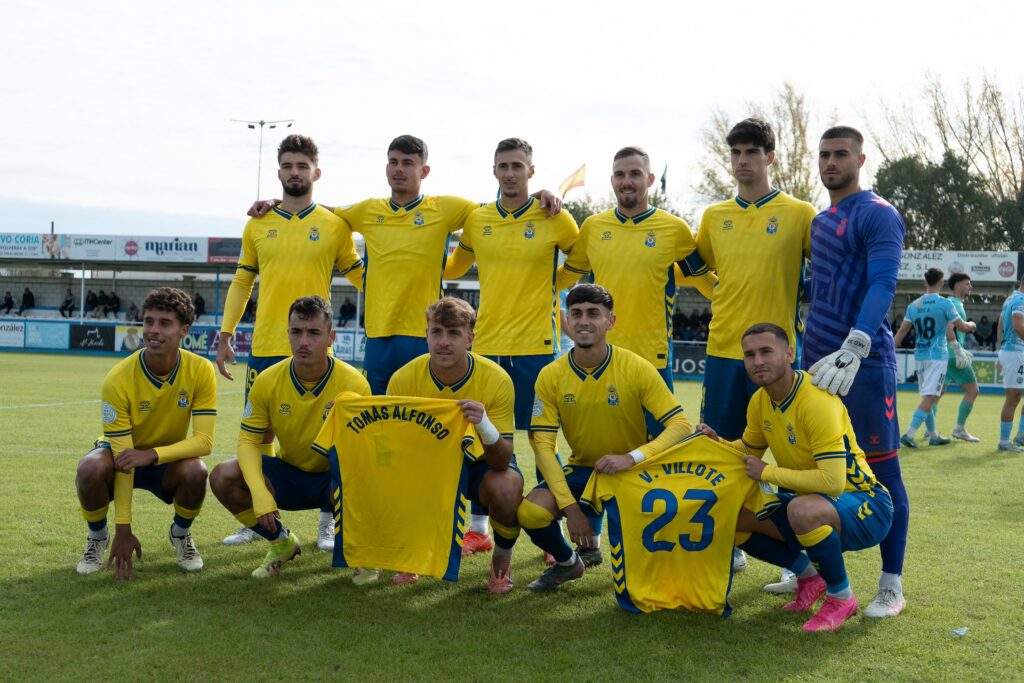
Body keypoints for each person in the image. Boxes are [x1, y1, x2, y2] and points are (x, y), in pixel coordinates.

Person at [248, 134, 561, 396]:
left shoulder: (447, 208)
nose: (399, 169)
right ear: (386, 168)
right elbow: (321, 210)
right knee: (376, 419)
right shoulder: (367, 211)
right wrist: (279, 203)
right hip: (379, 337)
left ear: (424, 171)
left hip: (424, 334)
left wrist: (535, 193)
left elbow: (500, 209)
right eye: (394, 162)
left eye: (408, 163)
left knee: (426, 418)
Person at [217, 134, 364, 550]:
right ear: (278, 172)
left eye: (303, 166)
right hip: (266, 346)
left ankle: (327, 520)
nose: (295, 173)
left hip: (317, 350)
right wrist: (226, 333)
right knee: (258, 436)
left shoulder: (335, 226)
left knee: (332, 435)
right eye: (288, 166)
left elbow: (360, 274)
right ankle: (258, 519)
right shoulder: (258, 223)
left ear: (316, 173)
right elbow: (243, 280)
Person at [698, 323, 893, 632]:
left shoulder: (816, 401)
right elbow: (747, 450)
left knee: (801, 510)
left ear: (789, 353)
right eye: (749, 355)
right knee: (735, 518)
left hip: (867, 504)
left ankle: (842, 598)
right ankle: (809, 578)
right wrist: (716, 442)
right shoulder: (760, 401)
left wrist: (768, 473)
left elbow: (833, 483)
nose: (757, 361)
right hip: (815, 501)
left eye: (766, 352)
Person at [692, 118, 817, 576]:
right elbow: (693, 265)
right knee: (723, 453)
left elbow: (820, 273)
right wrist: (719, 295)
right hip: (725, 352)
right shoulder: (714, 216)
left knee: (791, 458)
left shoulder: (799, 213)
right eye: (736, 153)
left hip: (781, 356)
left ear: (770, 157)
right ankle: (732, 542)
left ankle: (795, 558)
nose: (743, 161)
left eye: (751, 152)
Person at [443, 138, 579, 557]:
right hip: (485, 348)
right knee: (480, 436)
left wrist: (549, 287)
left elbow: (583, 260)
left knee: (542, 440)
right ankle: (479, 529)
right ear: (494, 171)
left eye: (517, 165)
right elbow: (452, 267)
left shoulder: (555, 217)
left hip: (536, 348)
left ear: (531, 171)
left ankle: (549, 533)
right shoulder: (479, 220)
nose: (510, 172)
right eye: (503, 165)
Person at [518, 284, 693, 591]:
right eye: (576, 314)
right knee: (531, 512)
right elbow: (543, 445)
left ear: (610, 321)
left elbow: (680, 424)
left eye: (593, 314)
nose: (584, 321)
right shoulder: (551, 375)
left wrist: (631, 457)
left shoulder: (636, 367)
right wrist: (570, 510)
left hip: (634, 473)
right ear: (567, 322)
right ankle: (568, 563)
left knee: (637, 578)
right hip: (586, 471)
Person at [802, 125, 910, 618]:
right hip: (814, 363)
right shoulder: (820, 222)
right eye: (824, 154)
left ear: (861, 160)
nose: (830, 162)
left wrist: (858, 341)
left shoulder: (878, 213)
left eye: (841, 154)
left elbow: (883, 281)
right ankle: (814, 575)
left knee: (881, 467)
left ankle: (891, 585)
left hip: (862, 363)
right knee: (811, 468)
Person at [210, 296, 371, 578]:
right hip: (290, 474)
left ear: (331, 337)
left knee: (371, 482)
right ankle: (282, 542)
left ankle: (360, 552)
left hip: (334, 479)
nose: (303, 341)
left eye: (313, 333)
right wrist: (260, 495)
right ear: (288, 334)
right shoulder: (268, 380)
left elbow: (366, 455)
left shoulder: (354, 383)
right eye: (296, 332)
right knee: (223, 475)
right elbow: (248, 441)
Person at [74, 287, 216, 579]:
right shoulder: (118, 379)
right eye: (149, 321)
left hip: (164, 460)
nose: (153, 330)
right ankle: (97, 536)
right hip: (123, 455)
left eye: (164, 323)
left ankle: (181, 534)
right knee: (90, 468)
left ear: (183, 330)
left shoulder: (201, 370)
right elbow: (124, 459)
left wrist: (151, 455)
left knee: (196, 472)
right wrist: (123, 529)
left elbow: (204, 441)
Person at [383, 296, 522, 592]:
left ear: (470, 339)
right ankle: (411, 555)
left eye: (454, 333)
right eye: (436, 332)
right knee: (393, 477)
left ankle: (501, 560)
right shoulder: (404, 379)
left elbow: (501, 460)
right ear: (426, 335)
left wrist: (483, 423)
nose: (444, 342)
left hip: (479, 465)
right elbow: (395, 448)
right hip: (427, 463)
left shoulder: (496, 379)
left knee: (507, 487)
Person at [560, 147, 716, 391]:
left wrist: (742, 300)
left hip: (652, 357)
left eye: (635, 174)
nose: (627, 181)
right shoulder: (592, 227)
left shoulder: (674, 229)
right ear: (612, 180)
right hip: (601, 354)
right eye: (619, 175)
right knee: (600, 430)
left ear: (650, 179)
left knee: (661, 430)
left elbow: (702, 279)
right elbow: (565, 277)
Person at [893, 268, 975, 447]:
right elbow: (960, 326)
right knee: (930, 397)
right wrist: (971, 324)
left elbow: (901, 332)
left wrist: (890, 351)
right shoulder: (945, 304)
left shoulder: (913, 305)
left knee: (927, 396)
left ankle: (933, 435)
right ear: (942, 283)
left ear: (925, 282)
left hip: (920, 355)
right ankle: (909, 433)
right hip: (937, 356)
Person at [938, 273, 983, 442]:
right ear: (956, 285)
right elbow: (950, 330)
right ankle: (959, 429)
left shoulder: (951, 302)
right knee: (973, 390)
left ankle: (929, 430)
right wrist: (958, 349)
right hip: (952, 355)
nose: (970, 287)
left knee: (938, 392)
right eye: (967, 284)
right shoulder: (953, 303)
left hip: (944, 354)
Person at [996, 276, 1024, 451]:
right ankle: (1004, 442)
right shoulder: (1020, 299)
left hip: (1013, 350)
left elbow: (1000, 326)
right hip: (1016, 352)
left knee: (1015, 396)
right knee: (1013, 397)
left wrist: (1001, 351)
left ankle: (1021, 436)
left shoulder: (1010, 299)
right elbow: (1018, 326)